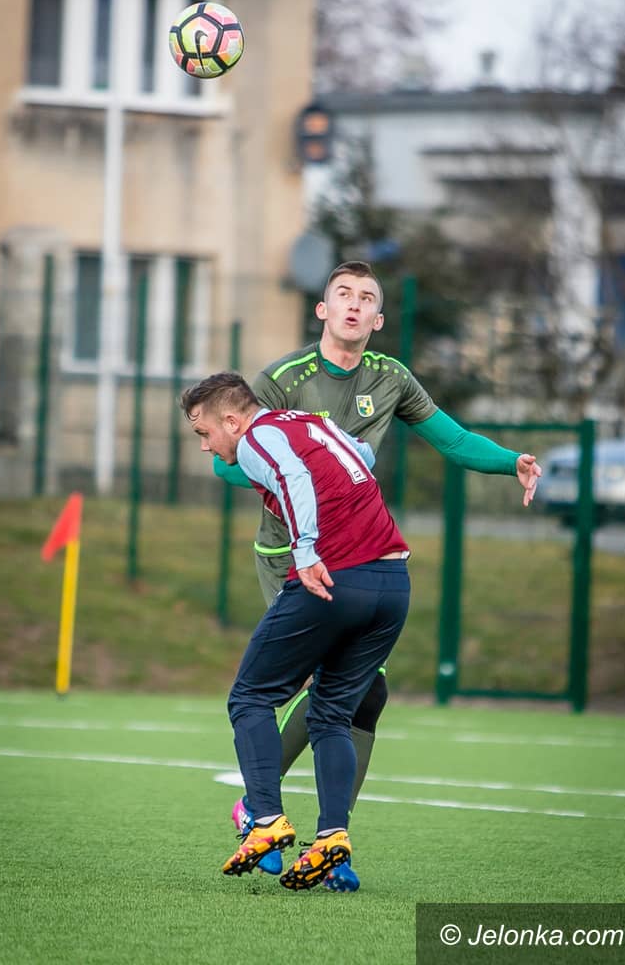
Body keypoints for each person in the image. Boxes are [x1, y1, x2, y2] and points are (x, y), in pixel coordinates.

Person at [214, 260, 541, 890]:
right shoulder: (283, 379)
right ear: (322, 309)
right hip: (292, 556)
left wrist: (511, 462)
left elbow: (452, 440)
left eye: (367, 297)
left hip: (358, 554)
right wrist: (307, 466)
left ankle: (329, 841)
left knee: (365, 694)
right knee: (319, 685)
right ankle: (261, 808)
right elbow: (229, 459)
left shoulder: (391, 377)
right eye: (343, 293)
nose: (354, 304)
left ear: (379, 318)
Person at [181, 372, 411, 890]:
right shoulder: (310, 423)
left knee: (249, 697)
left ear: (232, 421)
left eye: (203, 433)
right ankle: (331, 837)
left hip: (335, 577)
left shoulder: (257, 438)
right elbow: (362, 456)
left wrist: (305, 550)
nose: (205, 446)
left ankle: (264, 819)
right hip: (393, 583)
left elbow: (294, 476)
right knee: (331, 713)